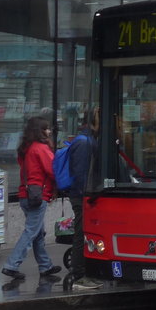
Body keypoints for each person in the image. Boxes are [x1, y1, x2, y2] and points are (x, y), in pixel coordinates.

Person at [1, 115, 61, 281]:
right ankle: (11, 265)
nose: (49, 131)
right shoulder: (40, 148)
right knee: (31, 232)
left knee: (38, 233)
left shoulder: (26, 148)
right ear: (40, 131)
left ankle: (45, 266)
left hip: (25, 195)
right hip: (38, 196)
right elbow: (53, 170)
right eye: (47, 128)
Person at [66, 111, 102, 291]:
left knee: (84, 232)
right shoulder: (84, 142)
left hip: (83, 195)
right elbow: (81, 173)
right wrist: (86, 195)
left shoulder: (86, 140)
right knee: (82, 233)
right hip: (82, 196)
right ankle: (79, 273)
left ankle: (82, 271)